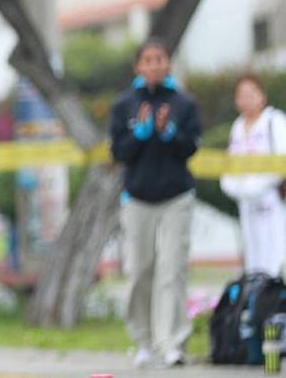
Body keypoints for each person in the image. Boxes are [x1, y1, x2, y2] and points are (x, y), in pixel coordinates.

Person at [110, 37, 202, 369]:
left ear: (168, 64)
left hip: (176, 197)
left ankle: (173, 343)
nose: (154, 65)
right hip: (137, 199)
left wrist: (169, 133)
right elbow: (119, 152)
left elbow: (191, 148)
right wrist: (141, 134)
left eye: (160, 59)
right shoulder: (124, 105)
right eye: (147, 60)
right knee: (140, 271)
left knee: (172, 270)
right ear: (138, 66)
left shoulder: (184, 103)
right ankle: (144, 342)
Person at [221, 74, 286, 277]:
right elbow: (230, 162)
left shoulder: (274, 121)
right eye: (242, 95)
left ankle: (274, 291)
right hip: (246, 200)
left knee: (274, 250)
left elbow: (281, 161)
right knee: (252, 252)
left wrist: (259, 185)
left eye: (251, 94)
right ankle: (256, 290)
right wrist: (233, 187)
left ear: (262, 96)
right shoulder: (238, 126)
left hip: (271, 198)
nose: (247, 100)